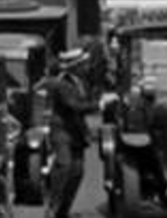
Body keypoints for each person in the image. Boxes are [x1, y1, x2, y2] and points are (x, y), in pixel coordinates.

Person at [42, 48, 98, 218]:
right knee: (64, 166)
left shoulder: (80, 82)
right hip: (62, 131)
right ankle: (52, 208)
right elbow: (74, 106)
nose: (87, 66)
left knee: (78, 172)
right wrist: (99, 104)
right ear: (75, 66)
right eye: (83, 64)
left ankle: (63, 212)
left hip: (76, 132)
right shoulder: (63, 84)